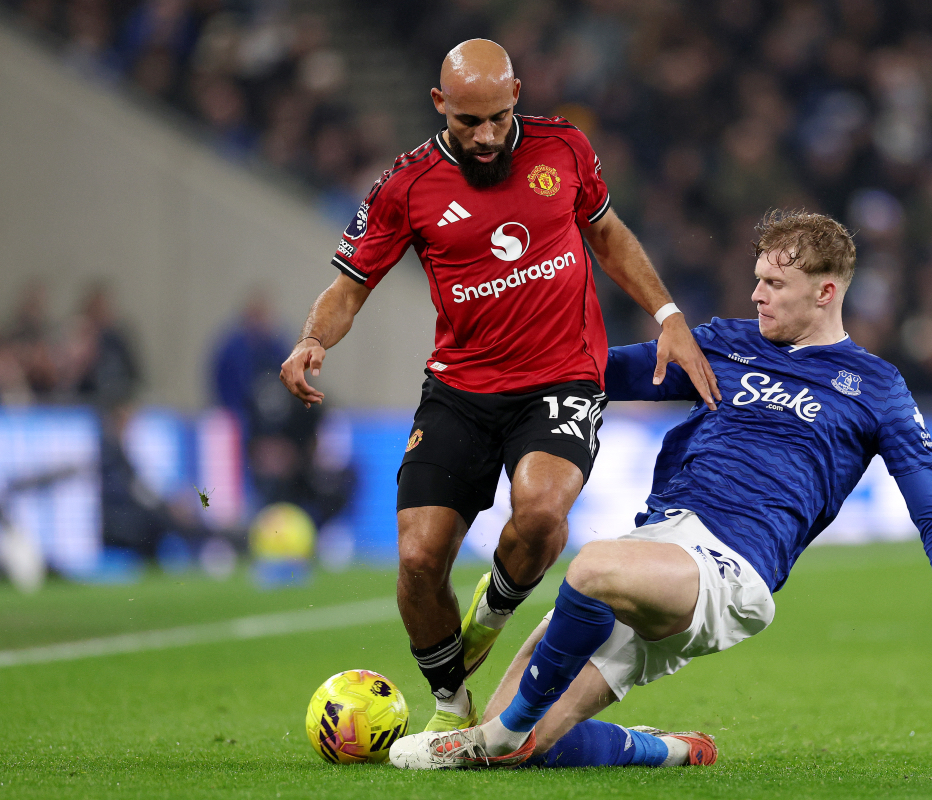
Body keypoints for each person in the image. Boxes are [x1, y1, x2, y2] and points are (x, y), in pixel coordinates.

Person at [388, 209, 932, 770]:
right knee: (524, 750)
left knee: (592, 568)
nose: (756, 295)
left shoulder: (876, 387)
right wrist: (498, 358)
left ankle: (494, 734)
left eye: (774, 285)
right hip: (657, 547)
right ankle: (670, 749)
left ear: (826, 292)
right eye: (757, 278)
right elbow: (602, 371)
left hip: (731, 567)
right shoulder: (726, 346)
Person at [279, 39, 719, 732]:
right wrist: (312, 338)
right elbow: (349, 286)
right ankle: (451, 708)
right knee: (420, 557)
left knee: (542, 512)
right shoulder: (406, 185)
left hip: (561, 379)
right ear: (439, 106)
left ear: (516, 94)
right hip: (460, 390)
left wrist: (667, 314)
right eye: (466, 124)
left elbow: (607, 236)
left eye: (495, 119)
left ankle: (494, 608)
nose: (484, 138)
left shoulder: (566, 149)